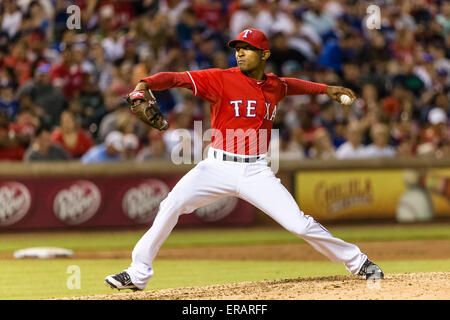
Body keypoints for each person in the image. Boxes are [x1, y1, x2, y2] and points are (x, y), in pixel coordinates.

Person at [105, 28, 384, 291]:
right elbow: (176, 78)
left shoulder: (275, 86)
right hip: (216, 166)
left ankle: (358, 262)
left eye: (248, 49)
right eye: (238, 48)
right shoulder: (220, 78)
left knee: (299, 224)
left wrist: (326, 89)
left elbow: (291, 85)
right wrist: (144, 83)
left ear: (264, 55)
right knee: (171, 204)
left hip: (255, 171)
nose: (240, 53)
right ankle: (138, 272)